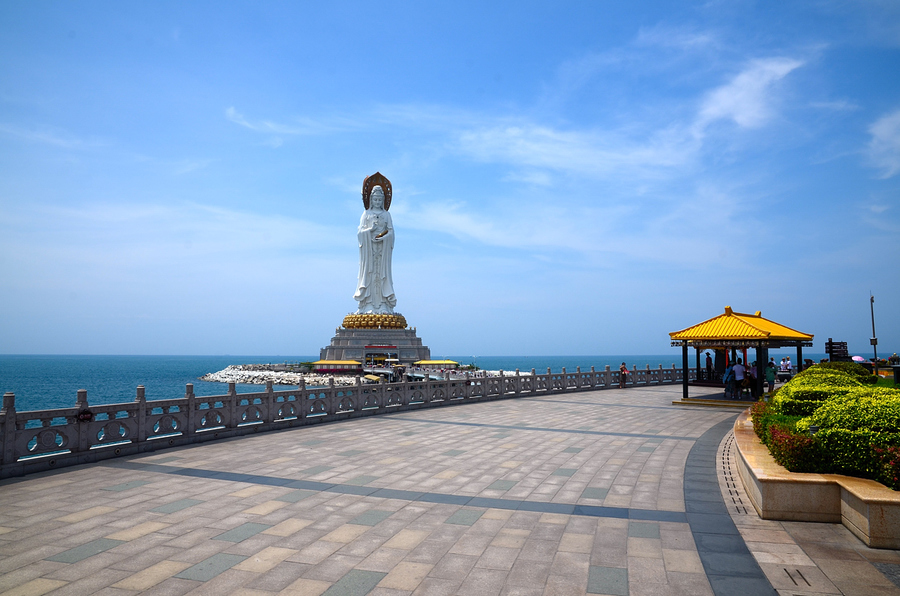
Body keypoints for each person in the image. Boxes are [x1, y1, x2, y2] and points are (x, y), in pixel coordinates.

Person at [354, 181, 396, 314]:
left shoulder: (386, 215)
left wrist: (384, 238)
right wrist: (368, 231)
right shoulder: (366, 214)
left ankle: (383, 304)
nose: (377, 202)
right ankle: (368, 305)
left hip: (382, 253)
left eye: (379, 199)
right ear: (371, 200)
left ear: (383, 201)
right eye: (375, 199)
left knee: (382, 276)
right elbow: (359, 233)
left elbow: (391, 232)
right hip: (369, 252)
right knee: (369, 276)